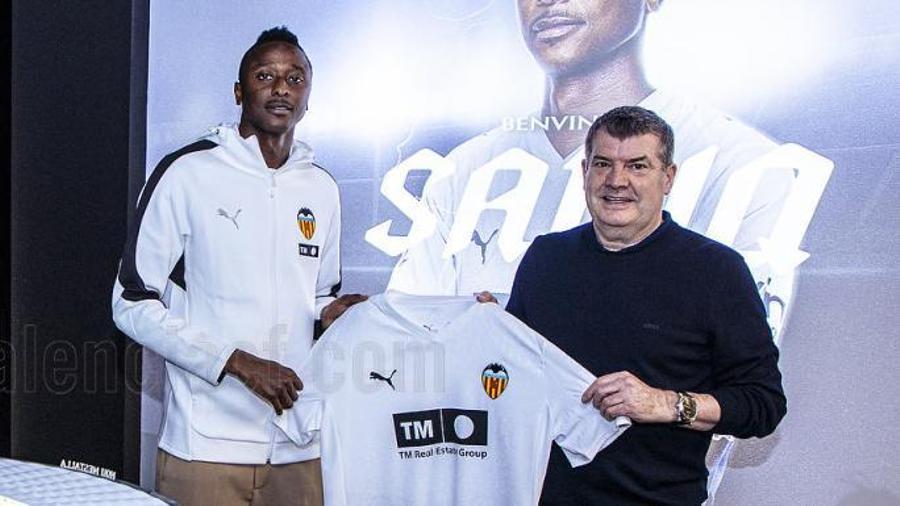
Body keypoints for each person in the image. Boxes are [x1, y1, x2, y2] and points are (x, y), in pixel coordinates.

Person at [387, 0, 800, 334]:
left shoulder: (745, 166)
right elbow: (408, 344)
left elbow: (737, 383)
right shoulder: (463, 171)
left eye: (637, 167)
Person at [112, 27, 365, 506]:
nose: (281, 88)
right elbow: (131, 303)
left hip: (298, 445)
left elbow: (316, 298)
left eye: (295, 78)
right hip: (205, 448)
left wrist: (332, 314)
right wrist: (236, 361)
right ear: (238, 91)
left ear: (308, 98)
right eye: (265, 76)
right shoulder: (187, 172)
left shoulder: (321, 189)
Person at [504, 106, 786, 504]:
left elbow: (763, 404)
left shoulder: (716, 270)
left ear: (668, 177)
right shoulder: (546, 257)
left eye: (637, 166)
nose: (616, 181)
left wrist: (665, 403)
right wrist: (486, 329)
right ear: (584, 171)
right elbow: (509, 380)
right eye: (603, 163)